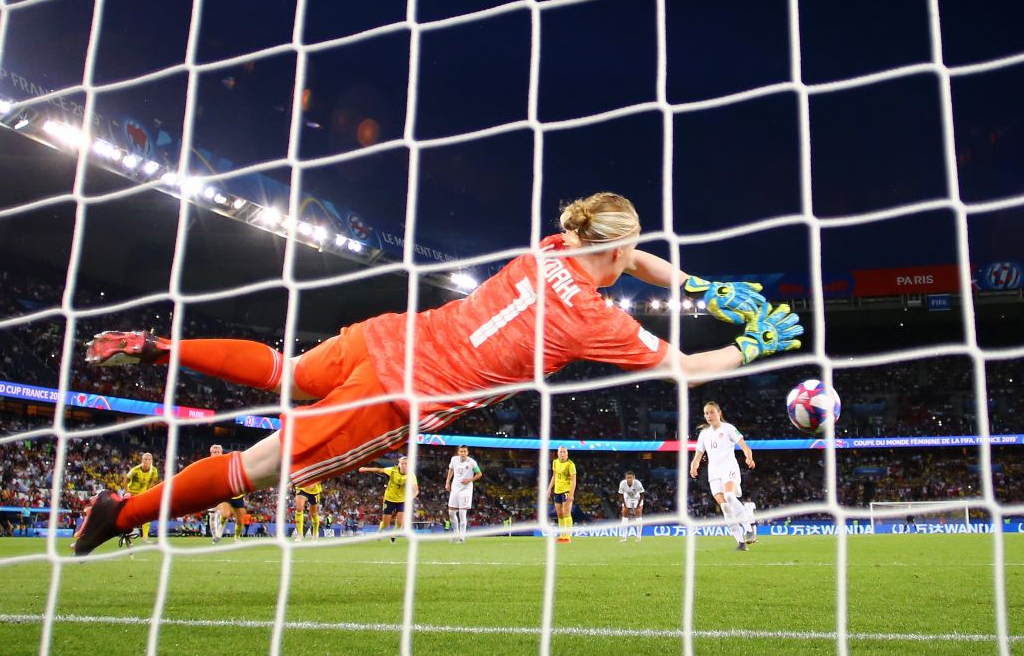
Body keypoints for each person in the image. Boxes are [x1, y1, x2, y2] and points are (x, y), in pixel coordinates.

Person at [72, 191, 802, 555]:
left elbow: (628, 251)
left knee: (289, 370)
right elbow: (683, 369)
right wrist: (753, 348)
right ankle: (120, 514)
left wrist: (699, 286)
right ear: (611, 253)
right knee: (259, 468)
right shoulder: (594, 319)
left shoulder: (552, 247)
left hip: (390, 336)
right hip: (398, 397)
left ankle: (160, 346)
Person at [690, 401, 755, 551]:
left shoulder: (728, 429)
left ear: (719, 413)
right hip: (714, 473)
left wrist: (748, 457)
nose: (709, 416)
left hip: (729, 468)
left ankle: (749, 529)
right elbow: (698, 455)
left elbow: (744, 445)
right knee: (725, 507)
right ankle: (741, 543)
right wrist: (694, 466)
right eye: (706, 413)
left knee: (730, 497)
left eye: (712, 412)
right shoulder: (704, 434)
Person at [358, 457, 418, 543]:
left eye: (406, 464)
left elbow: (416, 490)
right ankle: (380, 531)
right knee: (386, 523)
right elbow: (379, 470)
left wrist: (410, 498)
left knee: (400, 523)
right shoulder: (392, 470)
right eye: (402, 463)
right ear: (399, 464)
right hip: (389, 499)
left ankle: (393, 535)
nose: (404, 465)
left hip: (402, 501)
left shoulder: (411, 475)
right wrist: (366, 469)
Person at [444, 445, 482, 543]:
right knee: (451, 512)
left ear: (467, 452)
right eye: (461, 451)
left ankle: (462, 537)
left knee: (462, 513)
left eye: (465, 451)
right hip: (455, 488)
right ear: (458, 452)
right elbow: (451, 470)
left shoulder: (472, 462)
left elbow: (479, 474)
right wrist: (448, 482)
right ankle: (456, 533)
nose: (463, 453)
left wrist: (470, 480)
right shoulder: (454, 460)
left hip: (466, 489)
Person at [124, 453, 159, 543]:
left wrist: (149, 491)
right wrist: (127, 492)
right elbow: (126, 479)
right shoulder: (135, 470)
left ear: (152, 461)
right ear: (142, 461)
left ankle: (145, 538)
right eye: (145, 459)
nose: (147, 461)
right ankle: (127, 535)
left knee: (147, 515)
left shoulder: (154, 470)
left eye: (149, 459)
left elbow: (153, 482)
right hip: (132, 494)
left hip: (143, 494)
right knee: (130, 516)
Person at [547, 446, 577, 543]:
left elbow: (573, 480)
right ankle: (561, 535)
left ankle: (567, 536)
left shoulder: (570, 464)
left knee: (566, 512)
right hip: (557, 491)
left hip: (566, 491)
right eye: (561, 452)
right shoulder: (555, 462)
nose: (562, 453)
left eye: (564, 452)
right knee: (560, 514)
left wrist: (571, 494)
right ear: (558, 453)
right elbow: (554, 476)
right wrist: (549, 489)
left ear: (567, 453)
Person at [618, 471, 645, 542]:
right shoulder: (622, 483)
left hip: (637, 499)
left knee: (638, 515)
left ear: (634, 478)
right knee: (624, 515)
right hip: (627, 499)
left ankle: (639, 537)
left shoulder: (638, 483)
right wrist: (624, 504)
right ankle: (624, 537)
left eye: (631, 478)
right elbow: (621, 494)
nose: (629, 479)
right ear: (625, 478)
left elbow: (642, 494)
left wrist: (638, 505)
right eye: (628, 478)